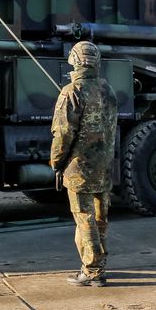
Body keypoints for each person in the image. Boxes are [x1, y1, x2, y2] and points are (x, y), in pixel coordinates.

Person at [50, 41, 118, 287]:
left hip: (79, 168)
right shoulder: (107, 89)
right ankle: (99, 263)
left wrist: (56, 163)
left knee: (84, 217)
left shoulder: (71, 91)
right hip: (105, 167)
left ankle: (92, 271)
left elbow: (62, 134)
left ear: (75, 62)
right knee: (100, 218)